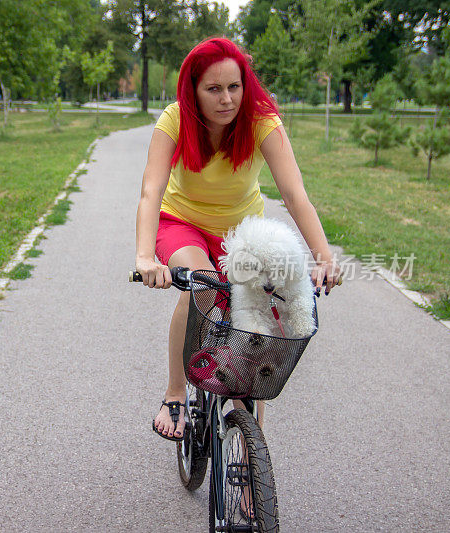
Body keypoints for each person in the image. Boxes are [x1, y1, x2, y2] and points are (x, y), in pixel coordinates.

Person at [135, 37, 342, 445]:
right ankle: (175, 394)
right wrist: (145, 257)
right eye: (213, 89)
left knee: (257, 314)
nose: (227, 99)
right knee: (201, 285)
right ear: (193, 91)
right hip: (183, 223)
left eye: (234, 87)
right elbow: (151, 191)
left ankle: (251, 454)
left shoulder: (262, 121)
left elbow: (295, 195)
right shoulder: (175, 120)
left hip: (242, 235)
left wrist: (324, 257)